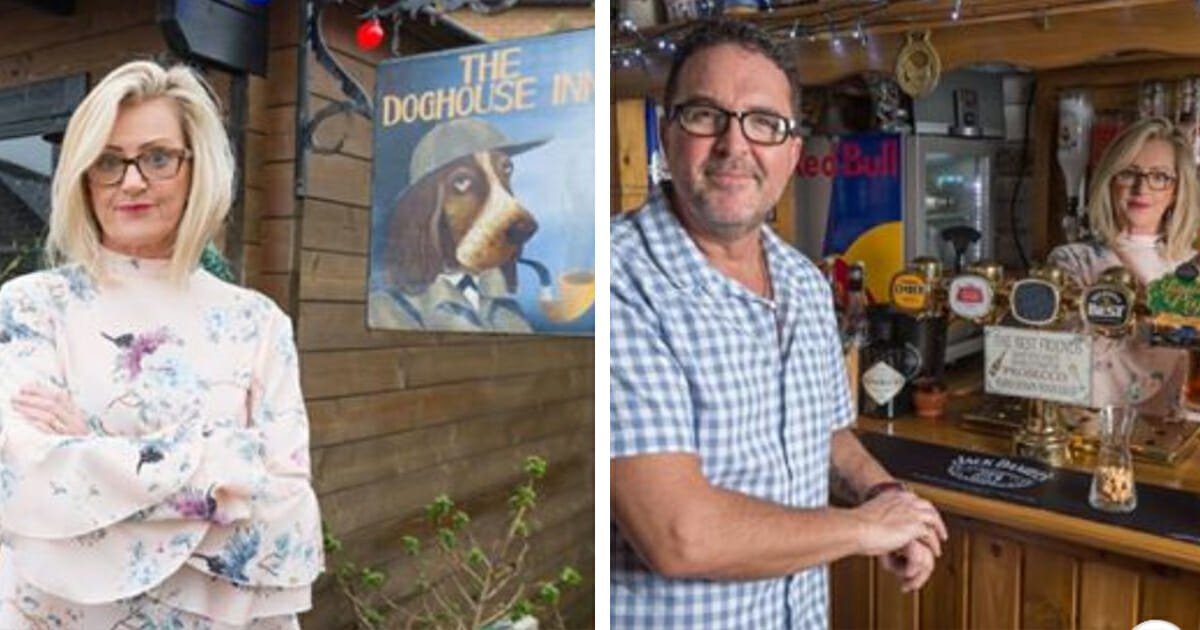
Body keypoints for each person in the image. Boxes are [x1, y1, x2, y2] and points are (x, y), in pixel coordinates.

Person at [610, 19, 948, 630]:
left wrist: (884, 494)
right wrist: (864, 528)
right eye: (706, 115)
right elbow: (679, 535)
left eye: (764, 123)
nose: (735, 146)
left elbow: (824, 436)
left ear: (792, 152)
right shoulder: (618, 282)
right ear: (666, 135)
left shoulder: (801, 280)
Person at [0, 61, 322, 627]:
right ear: (82, 175)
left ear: (198, 168)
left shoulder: (258, 323)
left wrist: (93, 447)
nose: (130, 181)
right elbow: (30, 477)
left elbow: (285, 506)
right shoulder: (30, 308)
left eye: (157, 157)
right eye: (107, 161)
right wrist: (222, 469)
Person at [1049, 116, 1200, 417]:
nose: (1141, 188)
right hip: (1088, 428)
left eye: (1160, 176)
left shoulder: (1191, 266)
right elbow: (1066, 353)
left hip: (1176, 428)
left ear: (1176, 190)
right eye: (1129, 174)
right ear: (1109, 180)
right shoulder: (1073, 261)